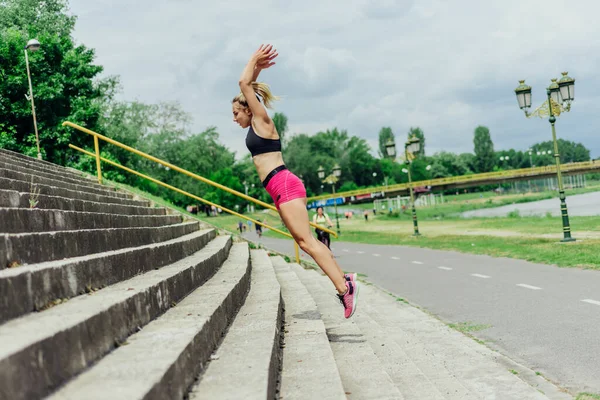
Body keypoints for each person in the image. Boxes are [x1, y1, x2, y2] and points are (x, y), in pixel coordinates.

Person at [232, 44, 357, 318]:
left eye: (236, 113)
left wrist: (252, 61)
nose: (234, 118)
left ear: (249, 109)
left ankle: (344, 289)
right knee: (305, 241)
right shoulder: (257, 124)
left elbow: (243, 83)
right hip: (280, 187)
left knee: (306, 241)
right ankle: (344, 282)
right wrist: (257, 69)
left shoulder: (262, 121)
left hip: (284, 183)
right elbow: (247, 83)